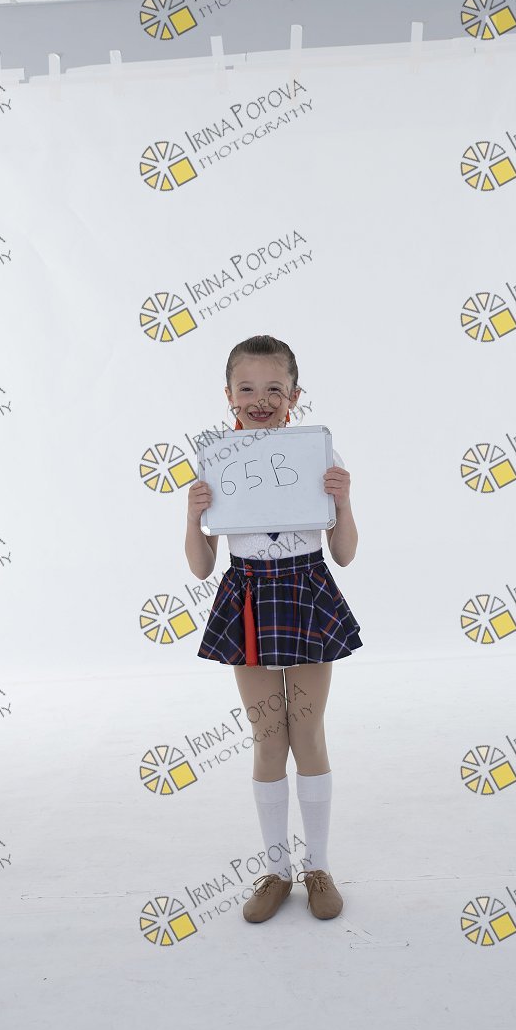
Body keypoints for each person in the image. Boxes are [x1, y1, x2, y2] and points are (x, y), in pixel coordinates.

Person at [184, 334, 363, 925]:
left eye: (274, 388)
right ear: (228, 395)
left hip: (307, 591)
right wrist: (194, 515)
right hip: (249, 598)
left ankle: (318, 867)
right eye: (247, 388)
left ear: (294, 395)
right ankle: (276, 871)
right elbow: (202, 567)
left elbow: (344, 554)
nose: (260, 399)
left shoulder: (318, 455)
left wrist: (343, 502)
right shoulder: (217, 461)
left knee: (306, 732)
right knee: (268, 736)